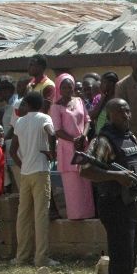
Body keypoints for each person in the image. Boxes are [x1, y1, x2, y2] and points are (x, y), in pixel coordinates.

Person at [79, 99, 137, 274]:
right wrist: (115, 176)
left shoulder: (130, 139)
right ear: (110, 115)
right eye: (121, 112)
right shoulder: (104, 140)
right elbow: (86, 170)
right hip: (113, 205)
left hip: (130, 204)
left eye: (128, 110)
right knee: (121, 260)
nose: (127, 115)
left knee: (128, 260)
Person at [10, 92, 57, 266]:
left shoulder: (20, 121)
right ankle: (41, 258)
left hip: (26, 173)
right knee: (41, 215)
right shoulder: (44, 118)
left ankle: (22, 257)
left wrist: (21, 165)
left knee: (23, 216)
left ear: (28, 105)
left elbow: (13, 150)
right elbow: (51, 133)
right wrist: (53, 153)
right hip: (41, 171)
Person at [50, 74, 95, 220]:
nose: (68, 89)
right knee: (73, 184)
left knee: (85, 181)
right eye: (64, 87)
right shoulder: (56, 107)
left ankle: (89, 213)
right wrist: (73, 139)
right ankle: (76, 216)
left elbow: (88, 120)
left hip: (82, 145)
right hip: (67, 148)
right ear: (59, 88)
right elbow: (57, 130)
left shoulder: (79, 101)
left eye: (70, 86)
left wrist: (83, 135)